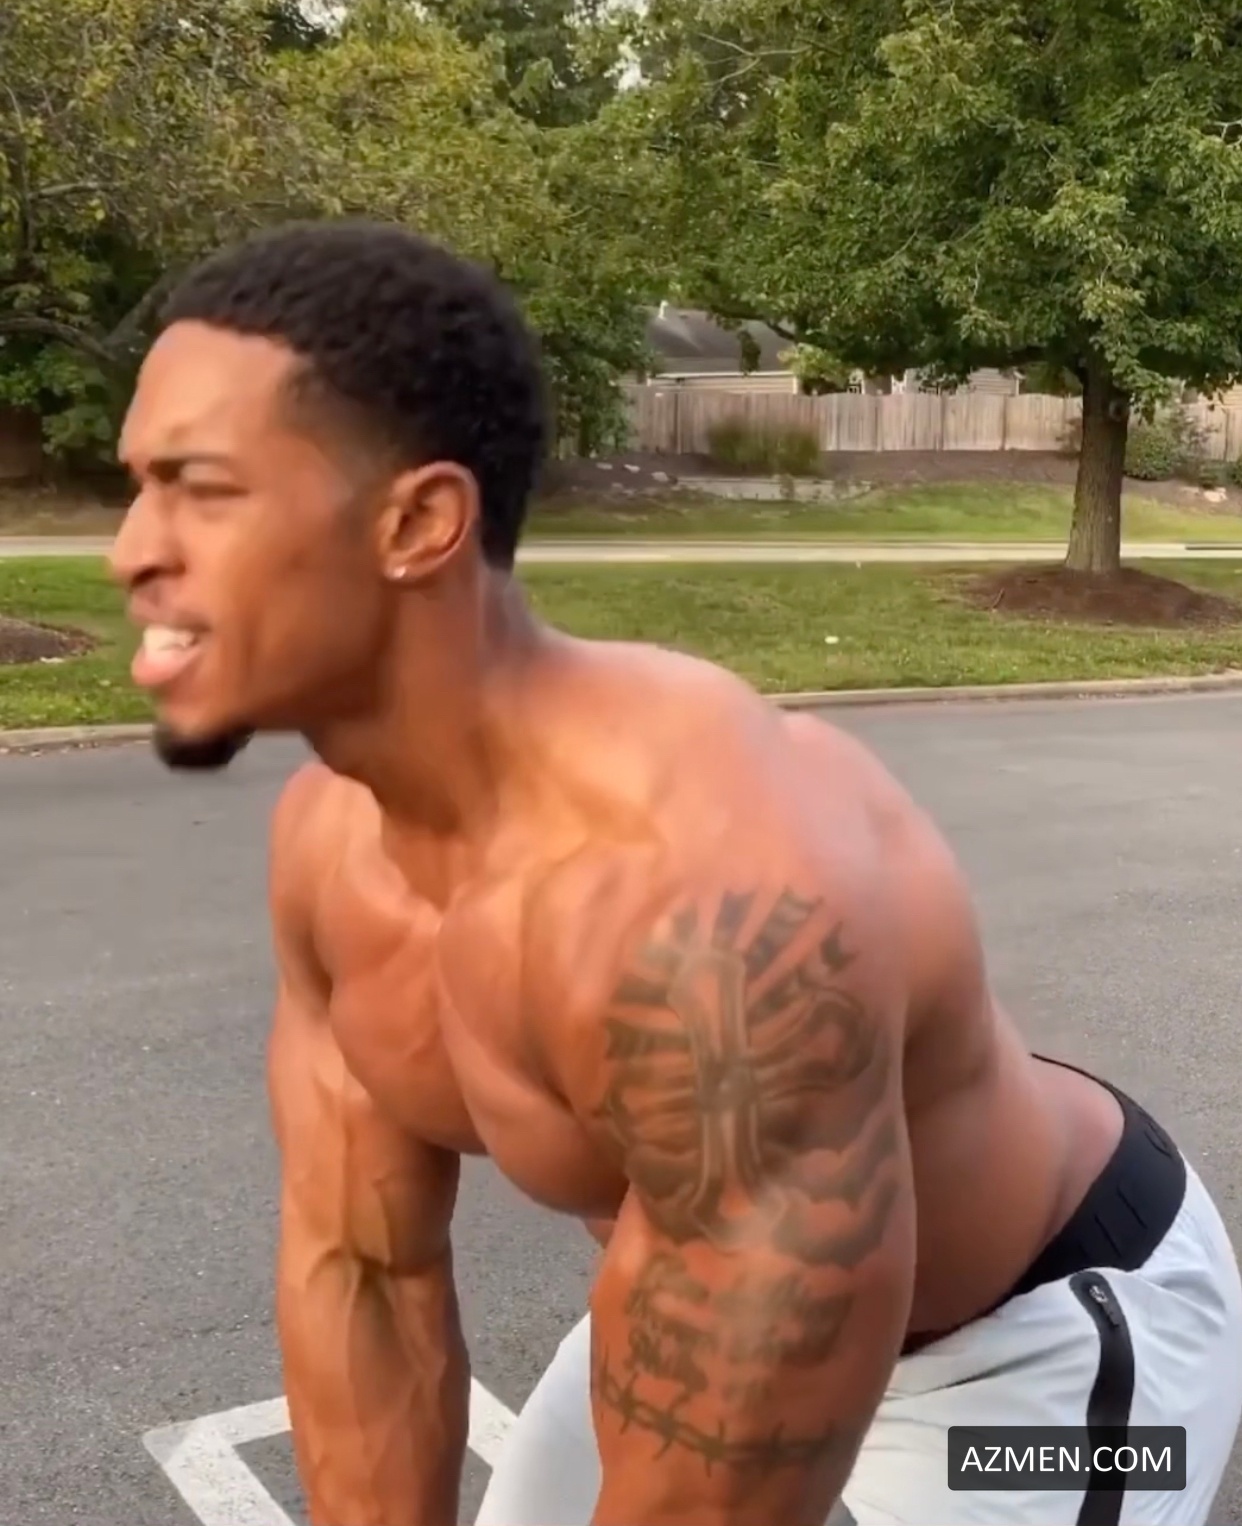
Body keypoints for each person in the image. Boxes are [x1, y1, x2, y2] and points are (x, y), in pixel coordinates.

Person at [110, 219, 1242, 1526]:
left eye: (203, 490)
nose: (133, 548)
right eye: (139, 487)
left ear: (416, 522)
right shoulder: (330, 851)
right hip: (709, 1308)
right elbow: (365, 1273)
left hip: (1036, 1363)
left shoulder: (706, 895)